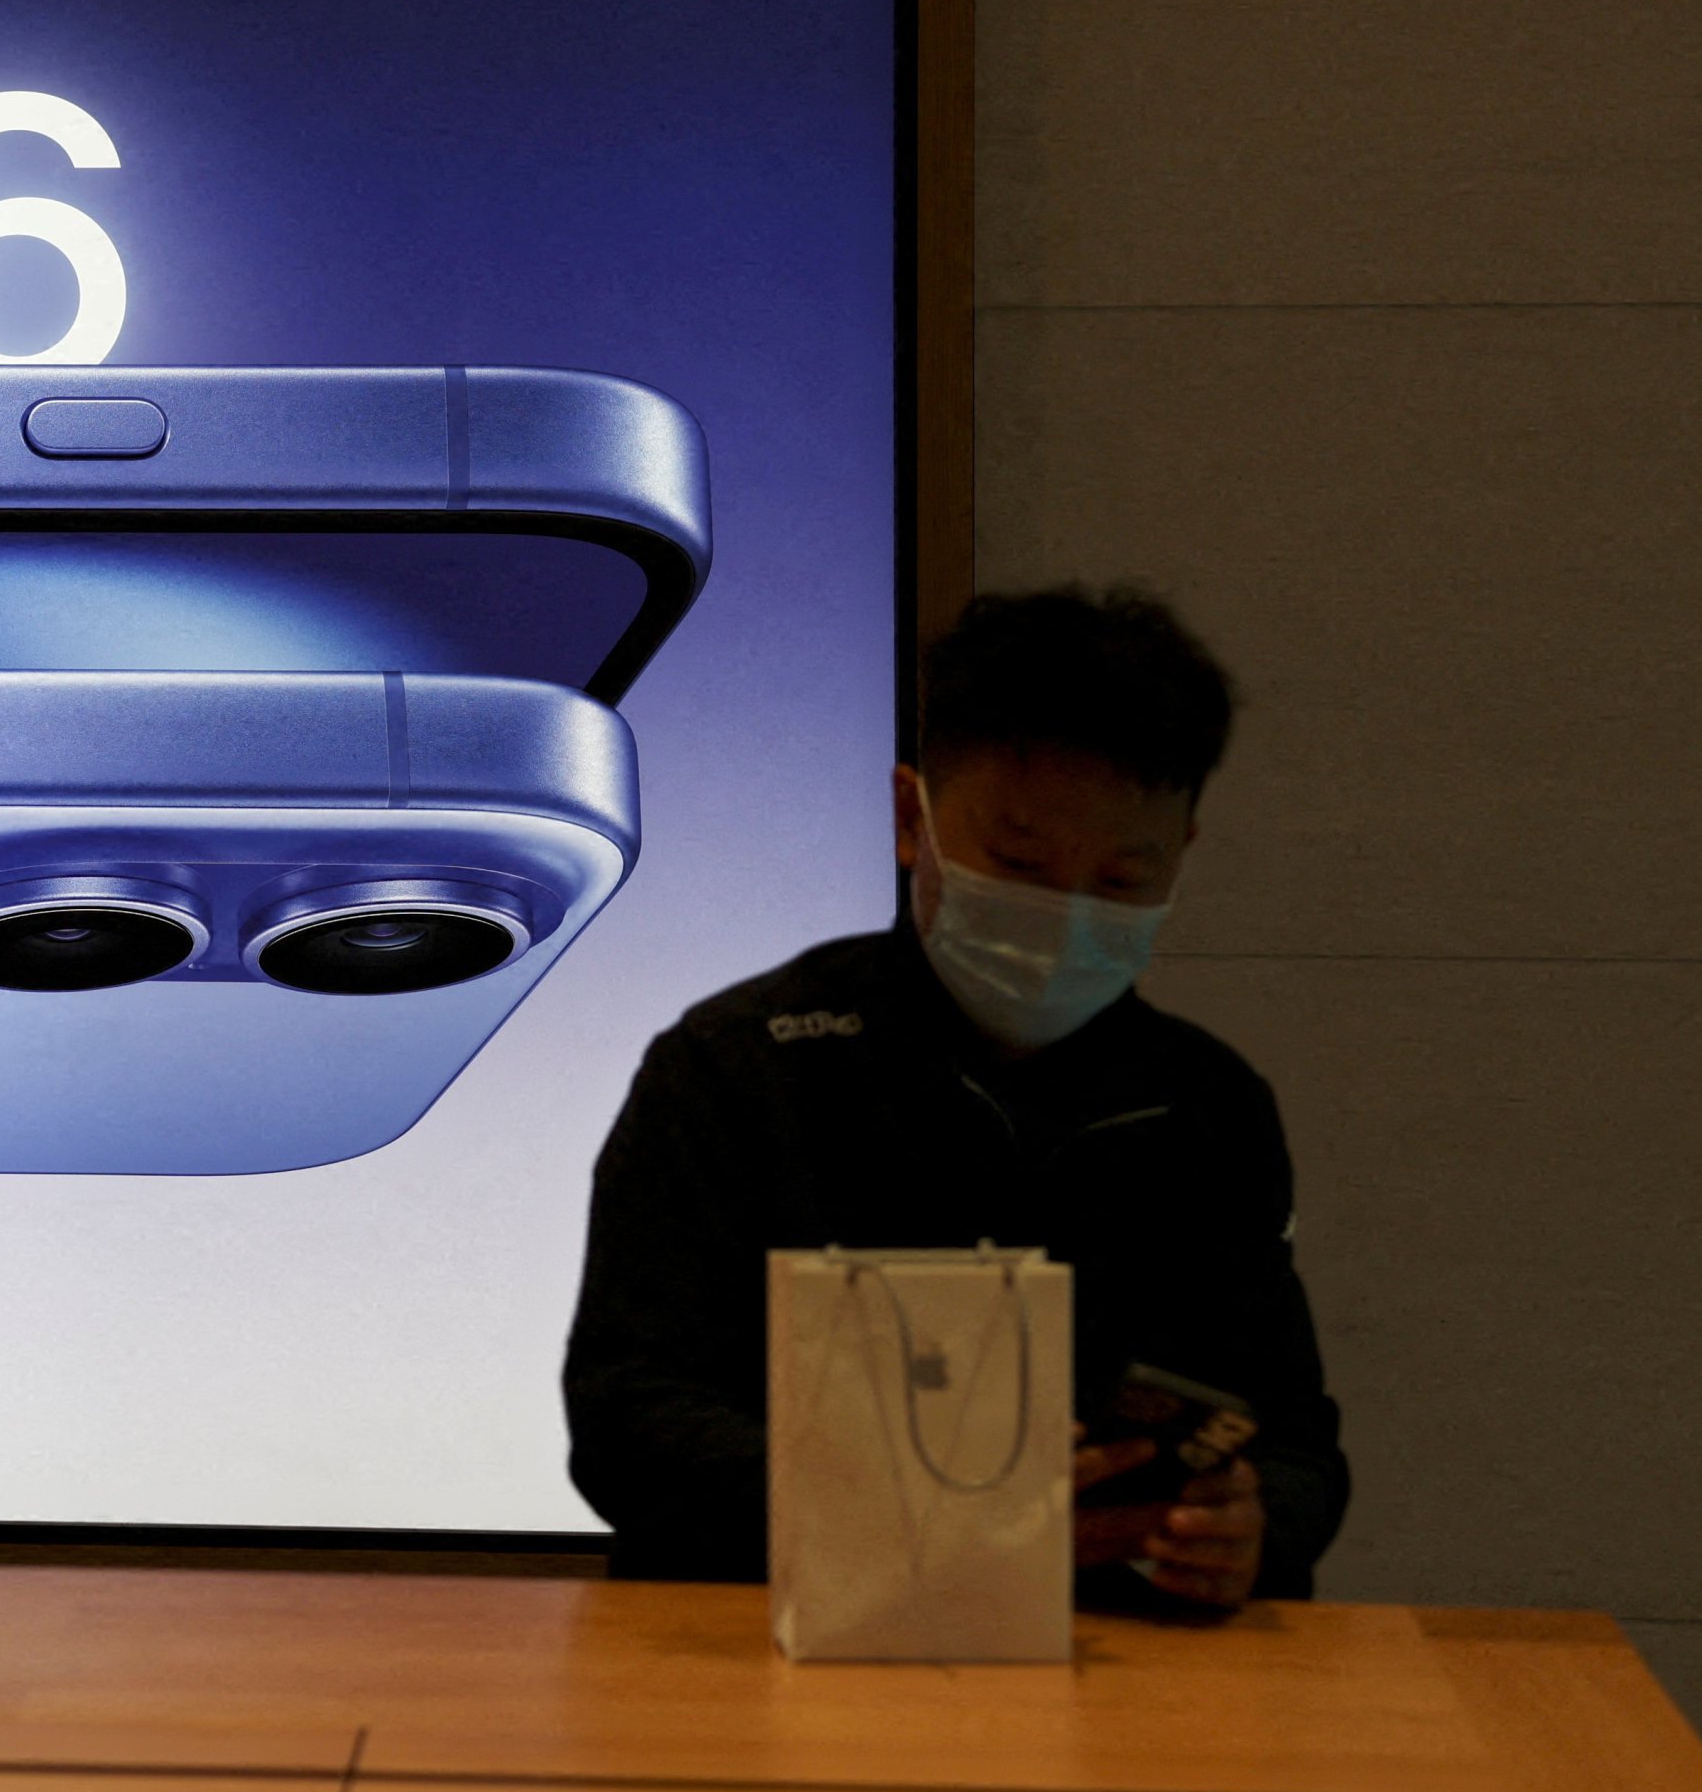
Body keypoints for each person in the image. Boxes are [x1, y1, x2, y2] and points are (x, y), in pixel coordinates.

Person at [562, 585, 1346, 1609]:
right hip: (771, 1641)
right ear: (909, 817)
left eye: (1118, 879)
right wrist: (909, 1507)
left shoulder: (1203, 1103)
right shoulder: (740, 1064)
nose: (1063, 919)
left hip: (1118, 1663)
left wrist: (1254, 1527)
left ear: (1182, 853)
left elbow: (1291, 1436)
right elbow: (627, 1421)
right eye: (1018, 863)